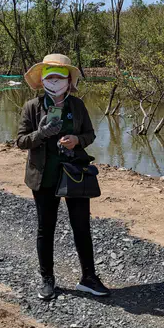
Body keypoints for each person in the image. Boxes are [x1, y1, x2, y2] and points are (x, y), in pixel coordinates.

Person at [17, 53, 110, 300]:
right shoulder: (32, 107)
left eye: (61, 77)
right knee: (45, 229)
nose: (56, 81)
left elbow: (90, 134)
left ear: (69, 81)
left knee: (81, 227)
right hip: (43, 178)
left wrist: (77, 140)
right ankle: (47, 279)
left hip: (75, 176)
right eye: (51, 76)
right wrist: (42, 133)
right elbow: (20, 141)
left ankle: (88, 278)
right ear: (44, 80)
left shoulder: (77, 106)